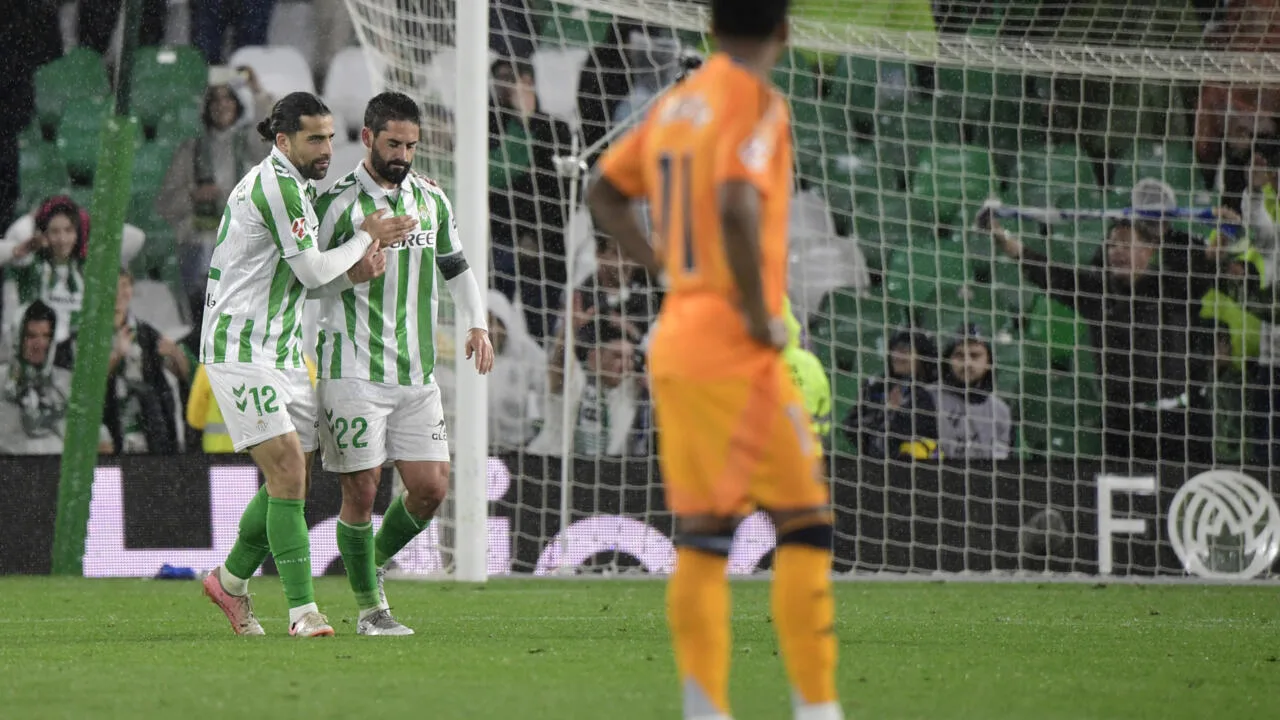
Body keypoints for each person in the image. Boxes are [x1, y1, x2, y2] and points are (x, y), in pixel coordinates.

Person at [587, 1, 843, 718]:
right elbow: (734, 200)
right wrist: (761, 313)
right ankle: (818, 708)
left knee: (703, 539)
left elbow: (602, 194)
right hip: (737, 338)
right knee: (805, 524)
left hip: (678, 335)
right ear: (786, 31)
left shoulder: (675, 104)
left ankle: (705, 709)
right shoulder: (758, 100)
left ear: (708, 28)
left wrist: (663, 265)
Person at [198, 92, 412, 638]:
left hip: (285, 350)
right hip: (240, 349)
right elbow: (314, 272)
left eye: (329, 138)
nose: (325, 149)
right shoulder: (277, 185)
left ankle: (228, 582)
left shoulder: (296, 187)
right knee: (290, 471)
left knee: (286, 479)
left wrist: (352, 276)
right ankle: (303, 612)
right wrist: (366, 235)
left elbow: (302, 280)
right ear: (283, 140)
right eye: (314, 139)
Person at [313, 92, 493, 636]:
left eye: (412, 145)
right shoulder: (339, 204)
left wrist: (477, 321)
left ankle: (367, 572)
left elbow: (456, 265)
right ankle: (371, 609)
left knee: (431, 487)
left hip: (416, 375)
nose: (404, 155)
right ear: (367, 138)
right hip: (353, 367)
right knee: (363, 488)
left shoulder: (431, 201)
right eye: (394, 143)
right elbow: (305, 282)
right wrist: (352, 274)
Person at [985, 199, 1223, 466]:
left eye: (1125, 244)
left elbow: (1211, 262)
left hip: (1182, 421)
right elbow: (1047, 273)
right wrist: (1001, 237)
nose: (1116, 251)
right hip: (1123, 424)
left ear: (1149, 250)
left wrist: (1226, 227)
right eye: (1112, 245)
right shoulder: (1096, 291)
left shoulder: (1174, 287)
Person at [56, 269, 190, 455]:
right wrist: (116, 356)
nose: (119, 293)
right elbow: (84, 389)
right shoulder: (84, 338)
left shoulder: (146, 333)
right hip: (108, 433)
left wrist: (175, 353)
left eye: (124, 285)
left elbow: (184, 375)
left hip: (148, 433)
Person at [0, 301, 109, 455]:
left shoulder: (67, 383)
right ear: (18, 338)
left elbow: (99, 436)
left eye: (45, 336)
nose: (39, 344)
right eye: (31, 336)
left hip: (56, 472)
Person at [842, 329, 940, 461]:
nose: (897, 356)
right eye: (895, 350)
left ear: (921, 357)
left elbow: (920, 430)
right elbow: (851, 427)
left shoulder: (933, 392)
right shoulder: (876, 386)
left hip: (919, 467)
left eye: (905, 351)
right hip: (874, 465)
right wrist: (885, 414)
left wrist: (893, 416)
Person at [929, 325, 1014, 461]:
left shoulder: (1001, 411)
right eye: (959, 355)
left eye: (975, 355)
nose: (967, 363)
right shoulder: (927, 399)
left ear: (988, 362)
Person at [486, 289, 546, 451]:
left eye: (494, 322)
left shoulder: (527, 352)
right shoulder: (463, 357)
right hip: (477, 448)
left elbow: (549, 389)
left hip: (518, 450)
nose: (489, 331)